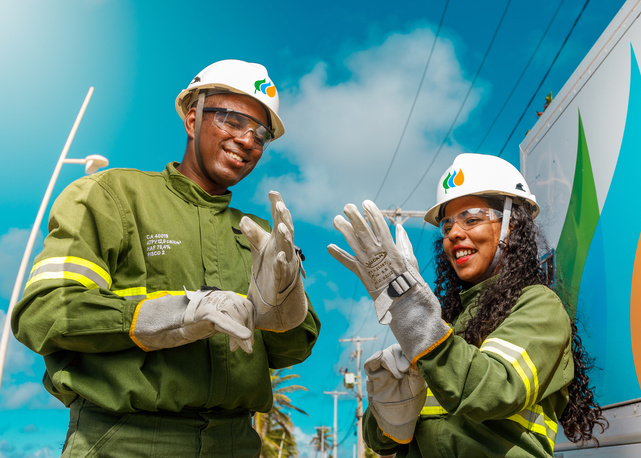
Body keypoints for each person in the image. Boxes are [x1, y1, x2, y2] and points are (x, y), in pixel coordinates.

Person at [12, 59, 320, 456]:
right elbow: (45, 312)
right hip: (125, 441)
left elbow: (291, 351)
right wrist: (171, 316)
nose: (248, 141)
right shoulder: (113, 196)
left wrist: (284, 303)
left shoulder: (261, 234)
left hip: (237, 444)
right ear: (192, 120)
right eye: (231, 119)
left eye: (260, 134)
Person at [328, 153, 606, 457]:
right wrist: (387, 405)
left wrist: (419, 323)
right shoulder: (445, 325)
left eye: (472, 218)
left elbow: (494, 389)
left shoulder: (539, 306)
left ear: (512, 225)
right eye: (446, 227)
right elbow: (381, 443)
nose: (455, 234)